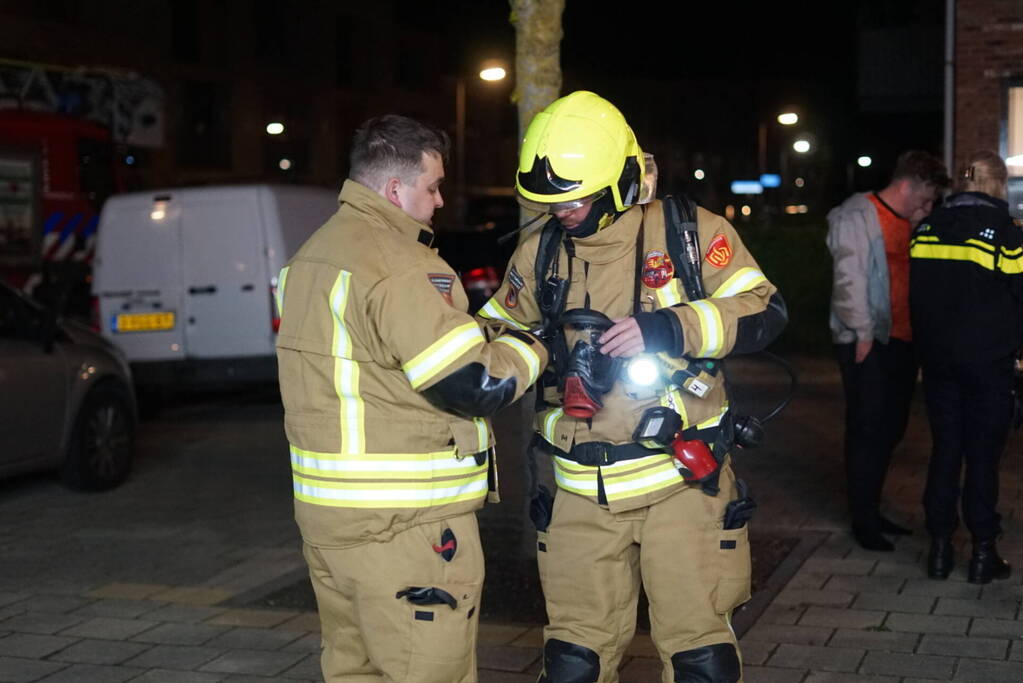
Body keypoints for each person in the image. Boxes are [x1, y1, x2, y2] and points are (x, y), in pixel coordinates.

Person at [478, 91, 786, 683]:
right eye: (550, 202)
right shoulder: (539, 252)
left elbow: (765, 310)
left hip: (680, 482)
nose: (562, 212)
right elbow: (498, 331)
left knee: (701, 661)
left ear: (620, 180)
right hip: (576, 491)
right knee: (572, 664)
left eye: (576, 199)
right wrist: (530, 353)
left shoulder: (690, 234)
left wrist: (671, 325)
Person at [274, 114, 548, 683]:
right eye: (433, 186)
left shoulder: (311, 257)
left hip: (329, 525)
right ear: (395, 190)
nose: (440, 200)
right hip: (406, 528)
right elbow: (476, 385)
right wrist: (535, 347)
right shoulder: (399, 266)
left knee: (355, 671)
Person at [825, 150, 949, 551]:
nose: (928, 207)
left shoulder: (910, 222)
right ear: (907, 185)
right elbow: (849, 278)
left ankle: (872, 511)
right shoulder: (857, 215)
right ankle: (863, 522)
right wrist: (861, 332)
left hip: (902, 341)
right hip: (869, 342)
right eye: (926, 197)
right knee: (867, 430)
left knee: (890, 430)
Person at [909, 150, 1022, 583]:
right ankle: (982, 552)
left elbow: (918, 297)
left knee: (945, 451)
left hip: (937, 364)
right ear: (998, 186)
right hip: (987, 365)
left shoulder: (926, 230)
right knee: (982, 458)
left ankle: (939, 549)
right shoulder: (1006, 236)